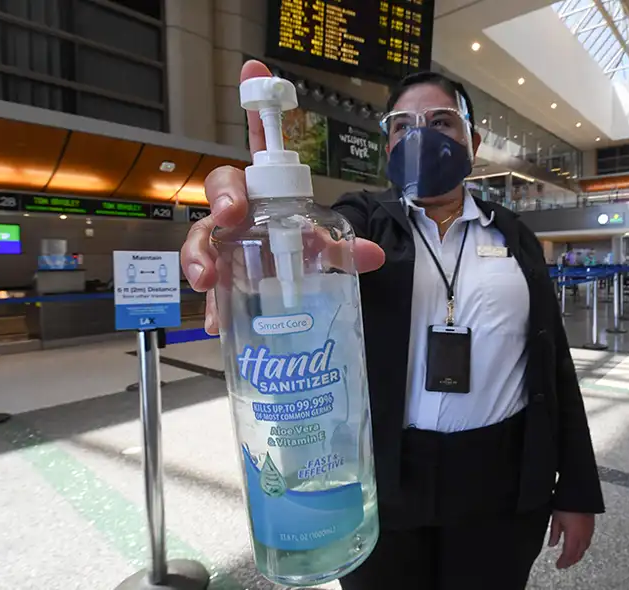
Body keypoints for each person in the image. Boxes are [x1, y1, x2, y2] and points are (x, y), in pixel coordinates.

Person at [181, 60, 605, 589]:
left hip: (501, 479)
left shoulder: (513, 235)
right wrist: (264, 231)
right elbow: (325, 246)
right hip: (385, 480)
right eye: (403, 126)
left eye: (441, 121)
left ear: (472, 140)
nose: (420, 135)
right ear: (387, 148)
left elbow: (553, 366)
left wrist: (577, 490)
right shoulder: (362, 219)